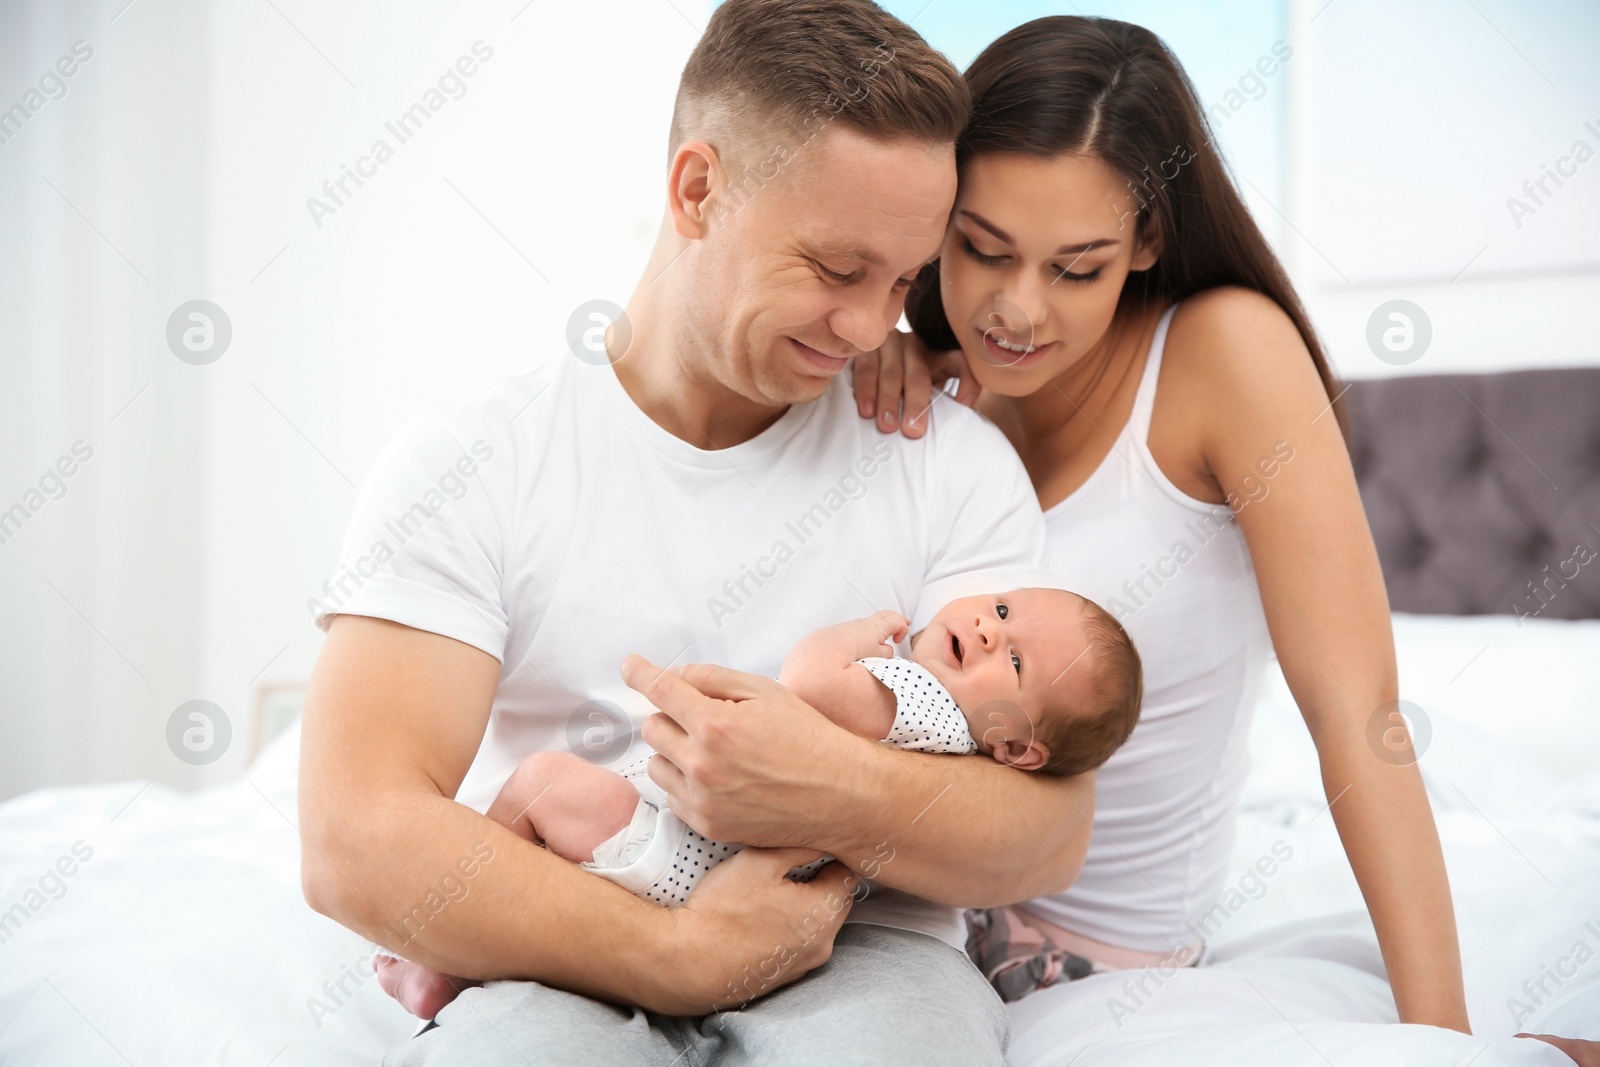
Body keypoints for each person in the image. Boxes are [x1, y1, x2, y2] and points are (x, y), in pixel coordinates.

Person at [297, 2, 1098, 1064]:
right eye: (835, 267)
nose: (870, 328)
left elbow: (1044, 831)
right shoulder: (474, 463)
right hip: (568, 926)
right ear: (696, 188)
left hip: (866, 945)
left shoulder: (942, 461)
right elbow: (353, 836)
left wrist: (823, 780)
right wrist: (679, 950)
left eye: (902, 281)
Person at [853, 14, 1600, 1065]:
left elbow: (1359, 712)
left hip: (1104, 975)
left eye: (1077, 266)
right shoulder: (920, 389)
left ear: (1148, 240)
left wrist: (1443, 1041)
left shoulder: (1222, 359)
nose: (1014, 309)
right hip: (910, 934)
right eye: (981, 249)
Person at [376, 593, 1143, 1020]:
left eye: (1012, 658)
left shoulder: (927, 707)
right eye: (1004, 608)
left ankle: (438, 958)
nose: (984, 626)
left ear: (1017, 748)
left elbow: (811, 681)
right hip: (714, 875)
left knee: (541, 784)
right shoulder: (955, 749)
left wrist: (856, 633)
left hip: (683, 854)